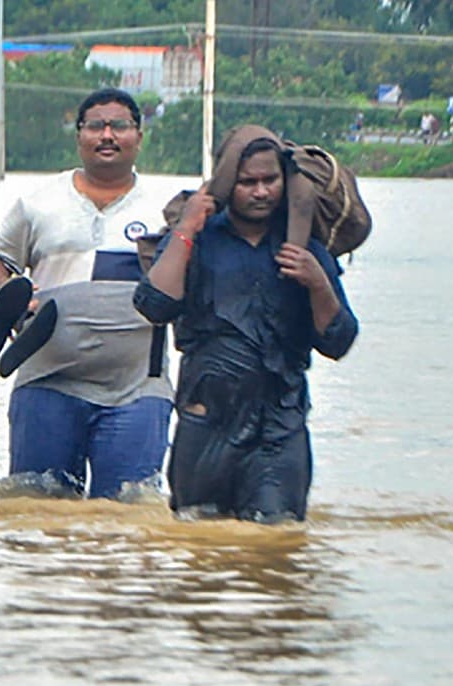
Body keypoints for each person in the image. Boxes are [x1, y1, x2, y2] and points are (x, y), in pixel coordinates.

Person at [133, 124, 359, 523]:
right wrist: (186, 227)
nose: (260, 192)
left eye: (269, 180)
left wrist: (318, 284)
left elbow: (338, 342)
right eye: (247, 182)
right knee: (196, 538)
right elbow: (154, 304)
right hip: (206, 421)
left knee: (277, 535)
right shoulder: (198, 240)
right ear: (225, 185)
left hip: (281, 425)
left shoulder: (304, 248)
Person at [0, 88, 174, 500]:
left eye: (119, 126)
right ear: (79, 135)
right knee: (36, 509)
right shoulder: (39, 202)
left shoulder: (166, 209)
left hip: (136, 390)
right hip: (47, 381)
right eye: (95, 126)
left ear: (139, 135)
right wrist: (10, 298)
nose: (107, 135)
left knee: (128, 513)